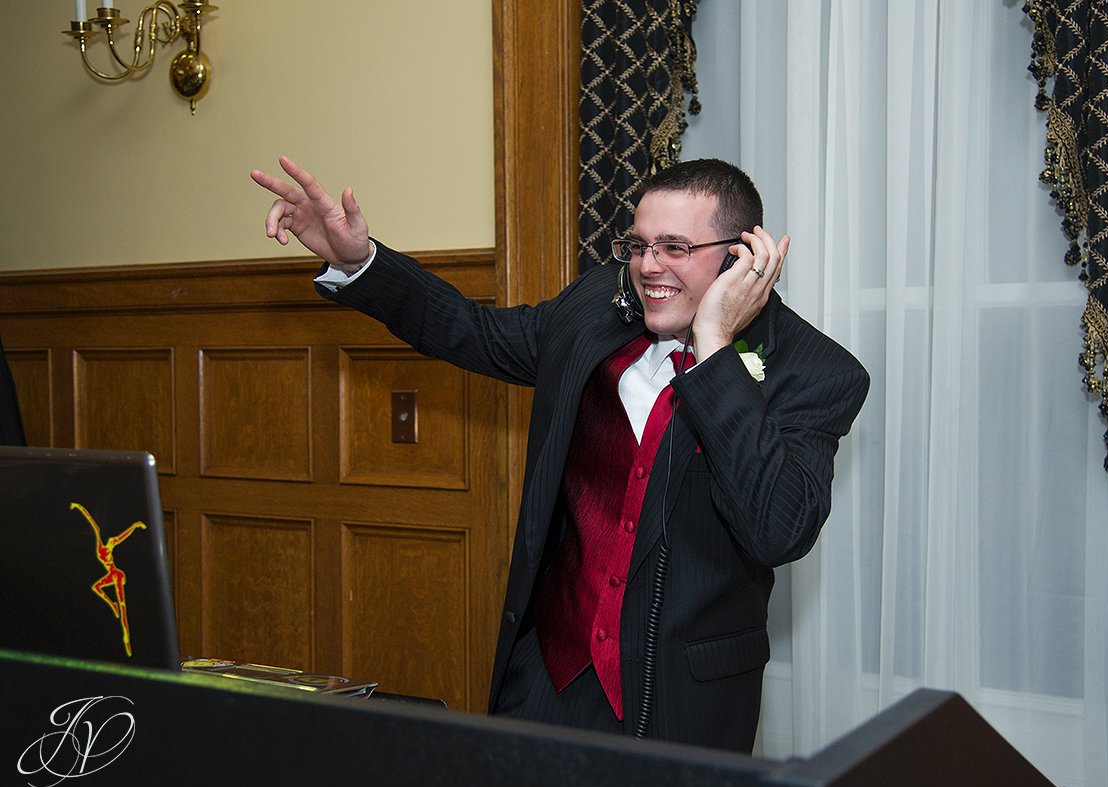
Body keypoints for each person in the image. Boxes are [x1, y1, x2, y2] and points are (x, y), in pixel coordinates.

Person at [251, 155, 869, 753]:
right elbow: (475, 331)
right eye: (637, 245)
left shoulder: (816, 372)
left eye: (674, 248)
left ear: (739, 258)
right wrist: (362, 262)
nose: (648, 267)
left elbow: (778, 530)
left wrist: (713, 345)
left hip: (685, 703)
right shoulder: (594, 310)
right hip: (550, 677)